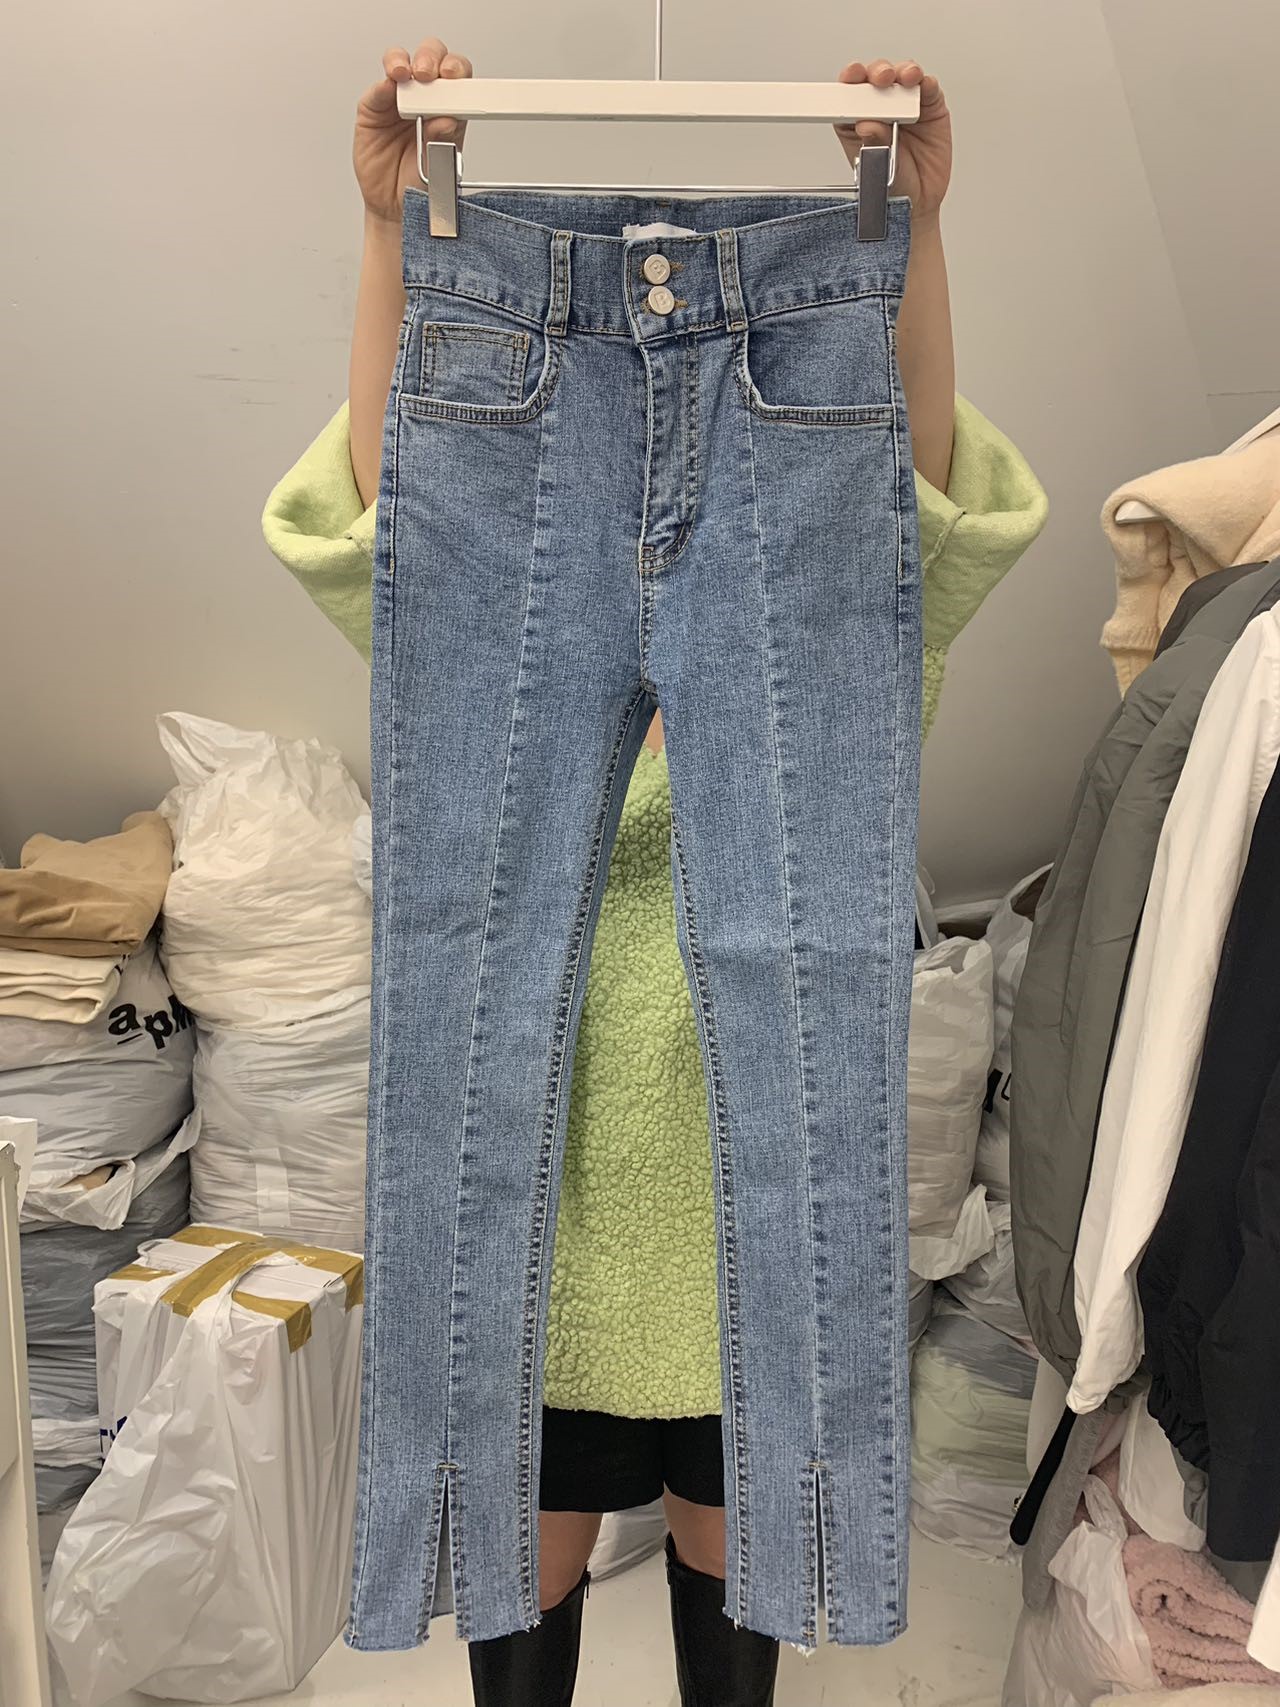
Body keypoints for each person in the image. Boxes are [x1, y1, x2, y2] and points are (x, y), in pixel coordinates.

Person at [263, 41, 1048, 1707]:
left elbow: (907, 498)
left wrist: (906, 237)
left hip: (742, 1229)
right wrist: (399, 237)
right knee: (532, 1564)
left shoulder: (842, 658)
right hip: (545, 1219)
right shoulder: (490, 637)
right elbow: (403, 528)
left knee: (728, 1553)